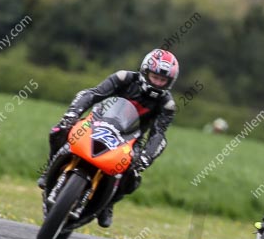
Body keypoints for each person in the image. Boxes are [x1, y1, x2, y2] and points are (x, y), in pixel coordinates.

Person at [37, 49, 179, 228]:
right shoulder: (123, 78)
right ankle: (50, 167)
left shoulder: (167, 104)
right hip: (98, 122)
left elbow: (159, 135)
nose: (157, 83)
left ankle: (108, 203)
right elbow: (91, 94)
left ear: (169, 82)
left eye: (162, 80)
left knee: (133, 175)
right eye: (154, 77)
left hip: (130, 138)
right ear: (144, 71)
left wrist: (145, 157)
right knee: (59, 130)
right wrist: (72, 114)